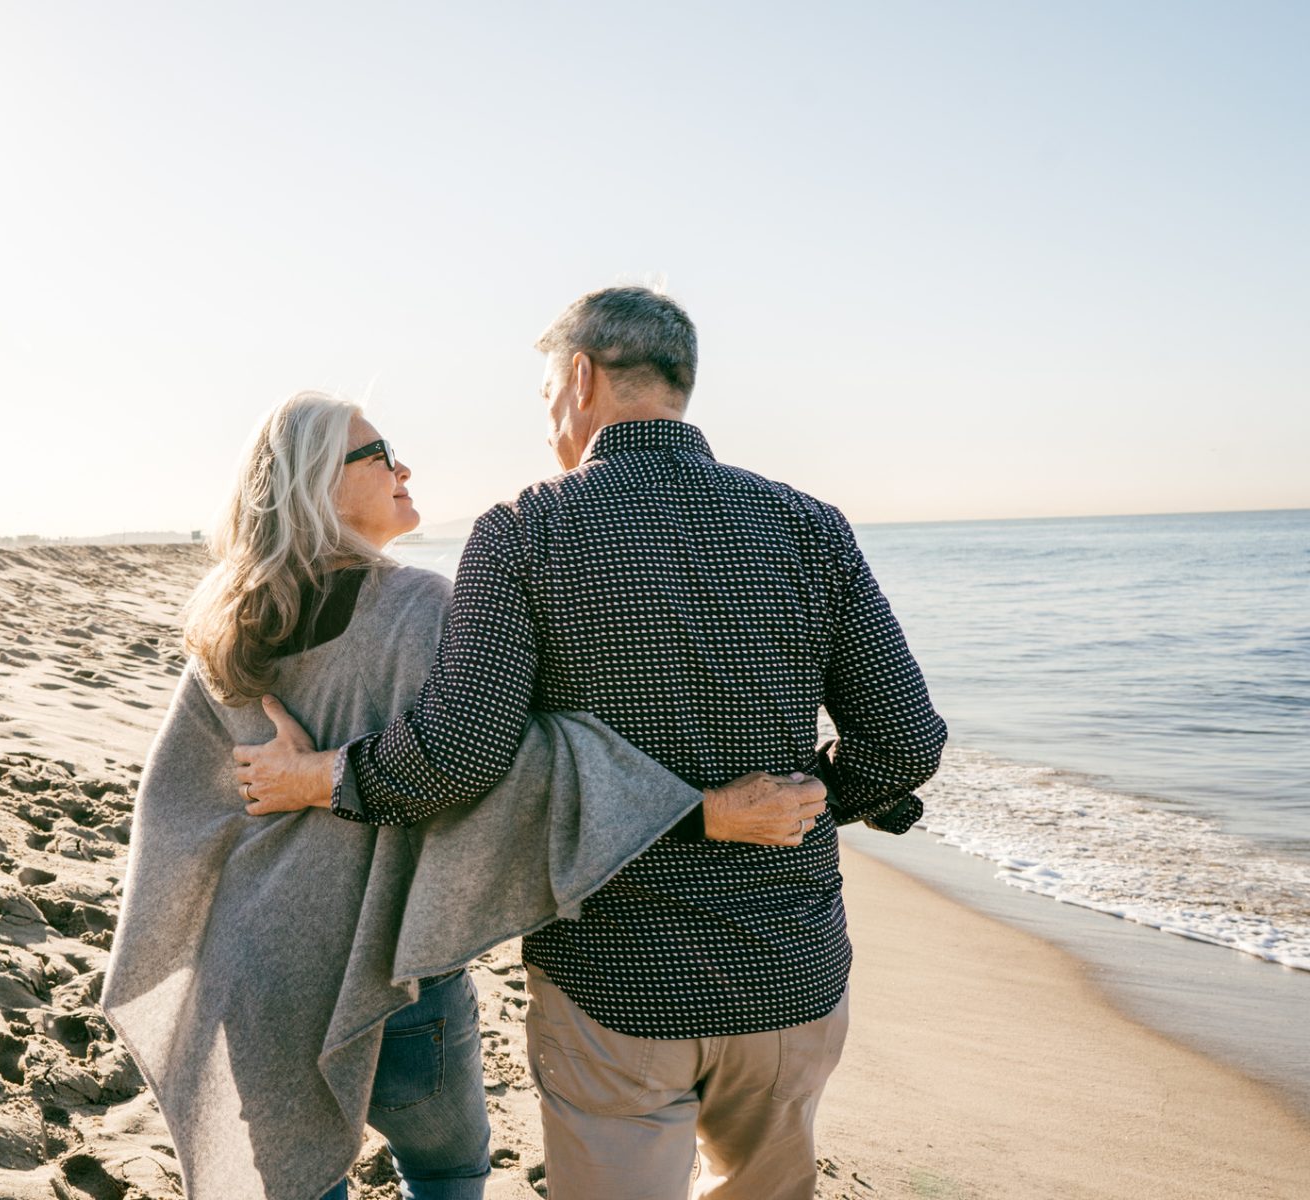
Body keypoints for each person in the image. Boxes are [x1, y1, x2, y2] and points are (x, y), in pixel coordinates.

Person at [235, 288, 949, 1200]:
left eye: (544, 399)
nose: (546, 427)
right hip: (791, 970)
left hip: (615, 981)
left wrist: (320, 778)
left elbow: (460, 756)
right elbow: (905, 742)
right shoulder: (808, 524)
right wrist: (814, 801)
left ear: (580, 380)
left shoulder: (525, 531)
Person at [102, 391, 827, 1200]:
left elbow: (176, 810)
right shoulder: (420, 609)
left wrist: (295, 791)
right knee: (448, 1169)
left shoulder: (223, 626)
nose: (402, 467)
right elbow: (505, 769)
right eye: (376, 455)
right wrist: (705, 810)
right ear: (315, 484)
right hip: (391, 973)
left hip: (256, 971)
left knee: (297, 1184)